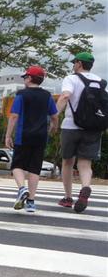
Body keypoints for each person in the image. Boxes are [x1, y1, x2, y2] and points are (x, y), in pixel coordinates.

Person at [55, 52, 104, 213]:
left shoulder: (71, 79)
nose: (73, 65)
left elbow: (65, 96)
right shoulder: (101, 82)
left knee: (67, 161)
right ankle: (85, 187)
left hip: (71, 126)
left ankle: (68, 198)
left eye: (74, 62)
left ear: (79, 64)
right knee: (85, 163)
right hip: (93, 127)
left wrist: (53, 116)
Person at [5, 65, 58, 212]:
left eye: (25, 77)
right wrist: (54, 126)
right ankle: (31, 202)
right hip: (41, 136)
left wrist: (8, 135)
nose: (24, 80)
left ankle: (22, 189)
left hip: (24, 135)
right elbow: (54, 116)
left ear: (29, 78)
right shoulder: (47, 96)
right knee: (35, 168)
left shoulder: (22, 94)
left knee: (17, 166)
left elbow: (14, 116)